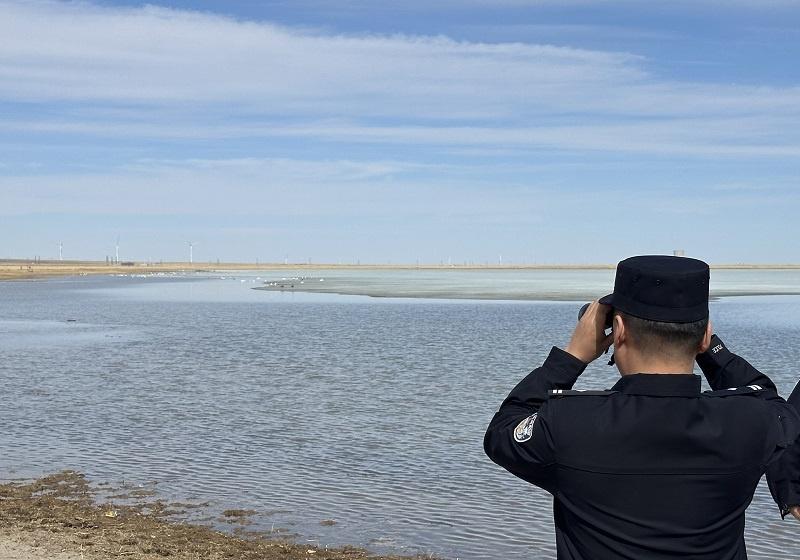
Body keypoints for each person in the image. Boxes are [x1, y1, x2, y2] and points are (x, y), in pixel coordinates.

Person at [484, 255, 800, 560]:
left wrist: (570, 358)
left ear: (619, 330)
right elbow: (771, 402)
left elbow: (502, 432)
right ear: (704, 334)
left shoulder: (567, 424)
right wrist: (709, 349)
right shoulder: (751, 422)